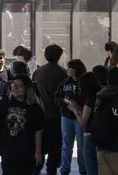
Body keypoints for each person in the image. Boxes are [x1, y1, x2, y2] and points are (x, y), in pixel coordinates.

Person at [0, 74, 44, 175]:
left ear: (27, 88)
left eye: (19, 86)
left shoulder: (34, 107)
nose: (15, 88)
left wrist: (38, 151)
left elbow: (38, 130)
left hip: (26, 150)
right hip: (7, 148)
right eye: (14, 85)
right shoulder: (6, 101)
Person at [32, 44, 68, 175]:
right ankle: (51, 168)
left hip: (40, 112)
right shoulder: (63, 73)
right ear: (59, 56)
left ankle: (37, 166)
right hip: (56, 114)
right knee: (55, 143)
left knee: (39, 142)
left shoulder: (38, 72)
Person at [55, 59, 87, 175]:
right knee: (66, 144)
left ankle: (83, 169)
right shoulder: (64, 83)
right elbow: (57, 97)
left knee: (81, 144)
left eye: (70, 68)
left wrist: (78, 106)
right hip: (66, 116)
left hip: (80, 115)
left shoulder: (83, 83)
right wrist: (64, 100)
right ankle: (64, 169)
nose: (68, 70)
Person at [67, 72, 101, 175]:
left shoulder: (89, 97)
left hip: (89, 135)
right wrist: (77, 107)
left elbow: (83, 121)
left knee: (91, 168)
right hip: (99, 134)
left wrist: (74, 110)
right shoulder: (99, 95)